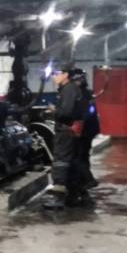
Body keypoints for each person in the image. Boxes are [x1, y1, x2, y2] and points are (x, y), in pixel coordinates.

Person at [44, 65, 86, 209]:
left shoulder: (68, 90)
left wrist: (54, 110)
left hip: (65, 131)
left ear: (66, 75)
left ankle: (58, 199)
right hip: (70, 131)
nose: (54, 77)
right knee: (70, 163)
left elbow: (66, 112)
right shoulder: (70, 89)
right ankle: (74, 196)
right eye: (52, 74)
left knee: (60, 162)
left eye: (56, 74)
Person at [73, 67, 100, 199]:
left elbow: (86, 113)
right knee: (84, 156)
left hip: (83, 131)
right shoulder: (87, 93)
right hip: (89, 130)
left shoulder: (80, 94)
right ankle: (83, 185)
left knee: (77, 157)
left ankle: (88, 180)